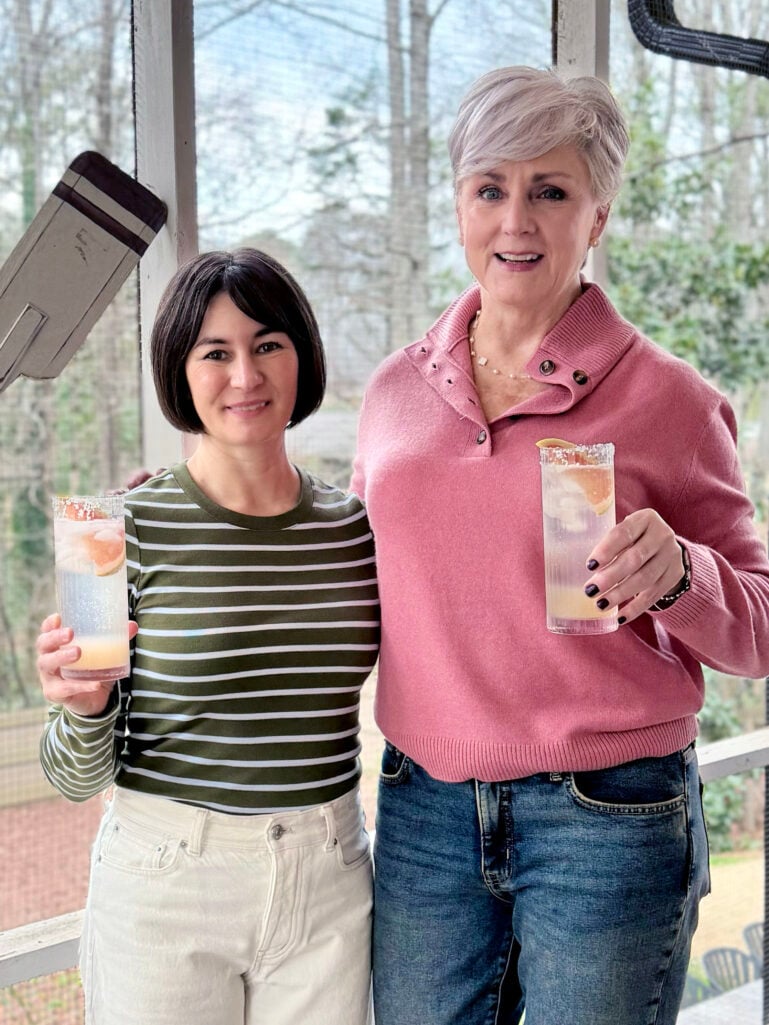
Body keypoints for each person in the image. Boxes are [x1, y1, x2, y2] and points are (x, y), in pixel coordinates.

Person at [350, 66, 769, 1025]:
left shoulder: (668, 400)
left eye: (550, 191)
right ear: (457, 203)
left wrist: (683, 576)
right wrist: (193, 519)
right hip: (424, 809)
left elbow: (756, 628)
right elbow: (350, 579)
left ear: (599, 215)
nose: (514, 222)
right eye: (489, 188)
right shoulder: (391, 395)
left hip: (607, 816)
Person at [36, 248, 379, 1025]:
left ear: (301, 357)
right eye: (214, 352)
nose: (245, 376)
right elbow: (72, 776)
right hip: (167, 884)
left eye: (267, 345)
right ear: (180, 372)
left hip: (329, 875)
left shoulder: (352, 527)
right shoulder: (111, 531)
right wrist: (85, 706)